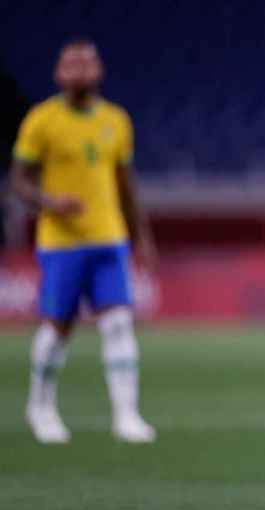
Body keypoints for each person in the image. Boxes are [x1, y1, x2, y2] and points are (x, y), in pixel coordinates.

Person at [10, 39, 157, 444]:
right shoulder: (42, 120)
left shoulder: (116, 120)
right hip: (61, 242)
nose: (79, 69)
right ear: (59, 73)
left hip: (109, 239)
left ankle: (127, 416)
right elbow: (18, 179)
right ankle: (40, 408)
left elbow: (125, 185)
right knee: (59, 326)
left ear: (99, 71)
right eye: (71, 63)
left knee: (118, 322)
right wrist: (49, 201)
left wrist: (141, 233)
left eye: (87, 62)